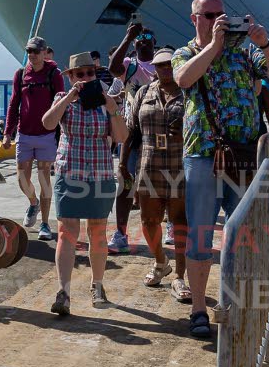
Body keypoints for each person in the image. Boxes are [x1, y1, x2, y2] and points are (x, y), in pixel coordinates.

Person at [172, 0, 269, 339]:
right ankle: (198, 310)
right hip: (203, 155)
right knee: (201, 234)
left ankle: (237, 304)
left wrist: (264, 43)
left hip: (243, 155)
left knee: (243, 235)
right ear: (194, 18)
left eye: (221, 14)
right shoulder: (186, 52)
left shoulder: (244, 51)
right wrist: (213, 46)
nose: (217, 19)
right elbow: (183, 80)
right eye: (209, 15)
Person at [41, 52, 128, 315]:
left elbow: (122, 136)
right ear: (71, 78)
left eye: (90, 73)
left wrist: (112, 110)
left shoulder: (107, 102)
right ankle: (64, 292)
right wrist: (69, 98)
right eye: (80, 74)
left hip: (100, 174)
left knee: (98, 232)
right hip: (70, 172)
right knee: (67, 233)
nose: (86, 78)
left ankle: (97, 285)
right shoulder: (63, 99)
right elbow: (47, 123)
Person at [121, 47, 189, 301]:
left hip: (180, 164)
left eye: (170, 64)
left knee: (180, 222)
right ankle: (161, 261)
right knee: (149, 221)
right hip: (149, 165)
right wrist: (123, 164)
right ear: (155, 68)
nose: (166, 69)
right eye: (161, 65)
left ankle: (181, 277)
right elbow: (132, 131)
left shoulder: (188, 91)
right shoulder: (143, 92)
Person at [2, 37, 63, 241]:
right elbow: (13, 104)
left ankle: (45, 223)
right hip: (25, 134)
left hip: (46, 135)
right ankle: (33, 202)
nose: (32, 55)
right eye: (29, 51)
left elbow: (61, 104)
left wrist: (62, 134)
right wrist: (7, 133)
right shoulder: (20, 75)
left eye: (36, 51)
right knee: (22, 178)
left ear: (45, 52)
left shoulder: (54, 74)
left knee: (44, 178)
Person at [106, 22, 159, 255]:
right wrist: (128, 37)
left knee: (161, 182)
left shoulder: (162, 63)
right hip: (131, 132)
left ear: (154, 42)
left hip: (158, 130)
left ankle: (165, 226)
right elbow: (112, 66)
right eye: (141, 36)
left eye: (148, 36)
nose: (144, 39)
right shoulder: (129, 65)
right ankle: (121, 232)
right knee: (126, 182)